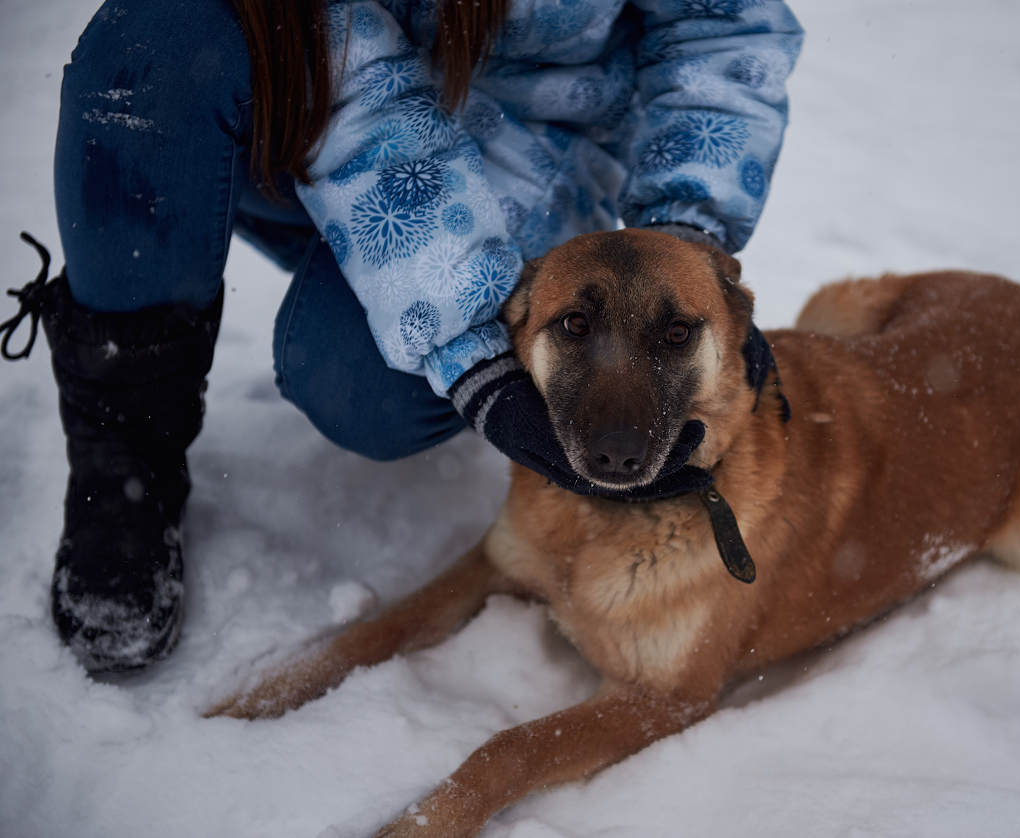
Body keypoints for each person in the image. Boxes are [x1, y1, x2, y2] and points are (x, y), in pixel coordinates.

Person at [1, 0, 803, 674]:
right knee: (155, 37)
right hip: (319, 101)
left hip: (532, 150)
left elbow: (720, 27)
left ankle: (360, 319)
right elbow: (350, 70)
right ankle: (124, 457)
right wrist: (473, 357)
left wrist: (684, 239)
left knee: (362, 391)